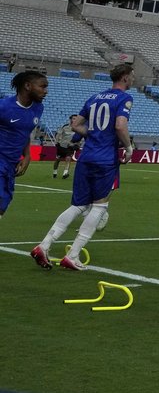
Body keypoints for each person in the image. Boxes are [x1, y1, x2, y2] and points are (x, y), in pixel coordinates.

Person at [33, 64, 136, 271]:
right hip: (104, 159)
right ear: (125, 77)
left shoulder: (95, 97)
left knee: (78, 205)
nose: (133, 79)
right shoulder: (124, 98)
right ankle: (73, 254)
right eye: (132, 76)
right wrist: (128, 146)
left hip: (87, 156)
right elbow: (119, 125)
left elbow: (76, 125)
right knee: (99, 206)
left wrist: (94, 135)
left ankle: (44, 245)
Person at [1, 71, 47, 226]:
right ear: (27, 86)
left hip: (12, 162)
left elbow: (25, 132)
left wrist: (27, 156)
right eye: (42, 86)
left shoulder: (38, 108)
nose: (45, 91)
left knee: (3, 203)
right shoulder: (4, 107)